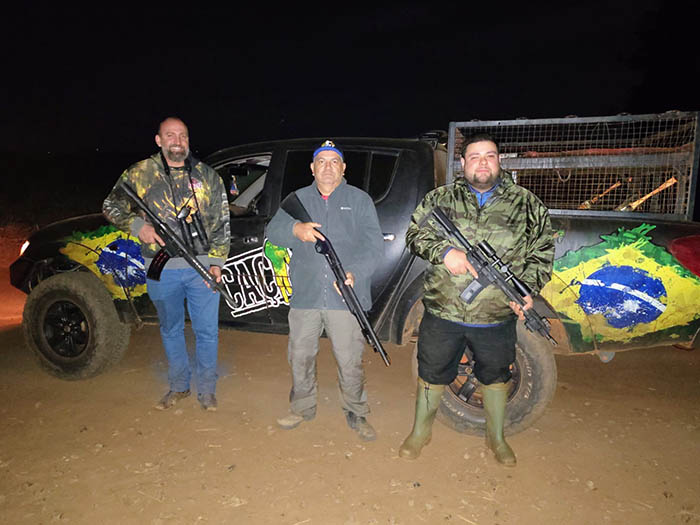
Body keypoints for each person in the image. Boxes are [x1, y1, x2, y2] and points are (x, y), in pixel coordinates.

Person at [400, 133, 554, 465]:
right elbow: (414, 235)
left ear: (499, 160)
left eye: (489, 156)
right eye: (474, 156)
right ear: (463, 162)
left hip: (496, 314)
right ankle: (420, 432)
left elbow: (542, 253)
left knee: (496, 375)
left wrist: (526, 289)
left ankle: (496, 437)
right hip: (444, 310)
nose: (482, 163)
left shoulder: (527, 204)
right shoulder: (440, 198)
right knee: (431, 371)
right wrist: (445, 252)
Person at [103, 117, 230, 411]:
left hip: (201, 267)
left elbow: (221, 222)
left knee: (207, 331)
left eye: (182, 135)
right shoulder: (140, 173)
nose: (177, 141)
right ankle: (179, 386)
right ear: (159, 140)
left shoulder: (207, 176)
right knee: (171, 329)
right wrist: (138, 227)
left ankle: (207, 390)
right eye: (170, 135)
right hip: (160, 268)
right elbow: (111, 205)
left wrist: (217, 263)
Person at [266, 140, 384, 441]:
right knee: (300, 356)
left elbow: (374, 246)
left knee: (349, 359)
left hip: (345, 297)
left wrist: (354, 273)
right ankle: (302, 407)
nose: (328, 167)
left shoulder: (359, 200)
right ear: (312, 168)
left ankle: (356, 411)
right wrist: (296, 230)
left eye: (334, 161)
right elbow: (272, 232)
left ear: (343, 167)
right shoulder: (297, 199)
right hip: (306, 294)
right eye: (322, 161)